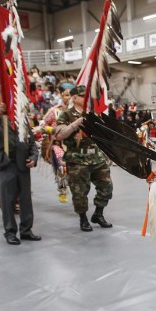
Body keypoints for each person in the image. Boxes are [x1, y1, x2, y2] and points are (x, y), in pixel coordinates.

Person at [53, 85, 113, 231]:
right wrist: (75, 124)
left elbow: (102, 135)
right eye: (82, 96)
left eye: (87, 96)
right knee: (80, 192)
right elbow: (59, 135)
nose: (86, 99)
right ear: (74, 97)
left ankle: (98, 214)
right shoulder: (66, 115)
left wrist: (107, 153)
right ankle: (83, 218)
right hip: (77, 159)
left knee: (106, 186)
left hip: (96, 156)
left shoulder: (93, 114)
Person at [0, 94, 39, 245]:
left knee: (26, 199)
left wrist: (34, 157)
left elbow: (32, 142)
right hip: (6, 164)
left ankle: (26, 230)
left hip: (23, 164)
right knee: (7, 200)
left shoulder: (22, 117)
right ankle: (10, 231)